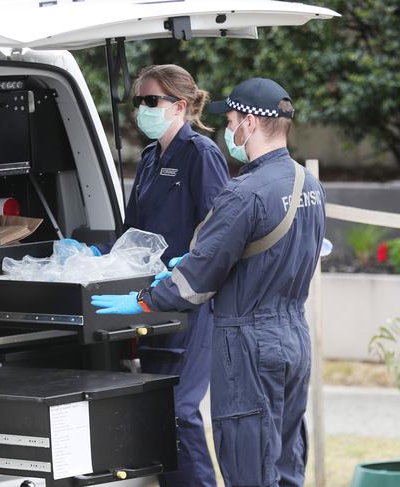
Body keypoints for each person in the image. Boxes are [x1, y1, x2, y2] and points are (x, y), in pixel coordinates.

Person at [92, 78, 326, 487]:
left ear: (250, 123)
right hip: (293, 336)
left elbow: (195, 281)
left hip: (249, 343)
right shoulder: (308, 184)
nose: (229, 130)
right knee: (286, 464)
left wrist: (144, 300)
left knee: (249, 466)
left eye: (232, 119)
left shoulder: (245, 192)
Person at [75, 64, 230, 487]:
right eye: (138, 101)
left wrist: (188, 264)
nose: (140, 109)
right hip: (153, 302)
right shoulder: (148, 159)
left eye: (150, 101)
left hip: (193, 302)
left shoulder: (201, 154)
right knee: (159, 414)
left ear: (179, 106)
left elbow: (221, 229)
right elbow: (133, 235)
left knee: (179, 412)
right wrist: (95, 253)